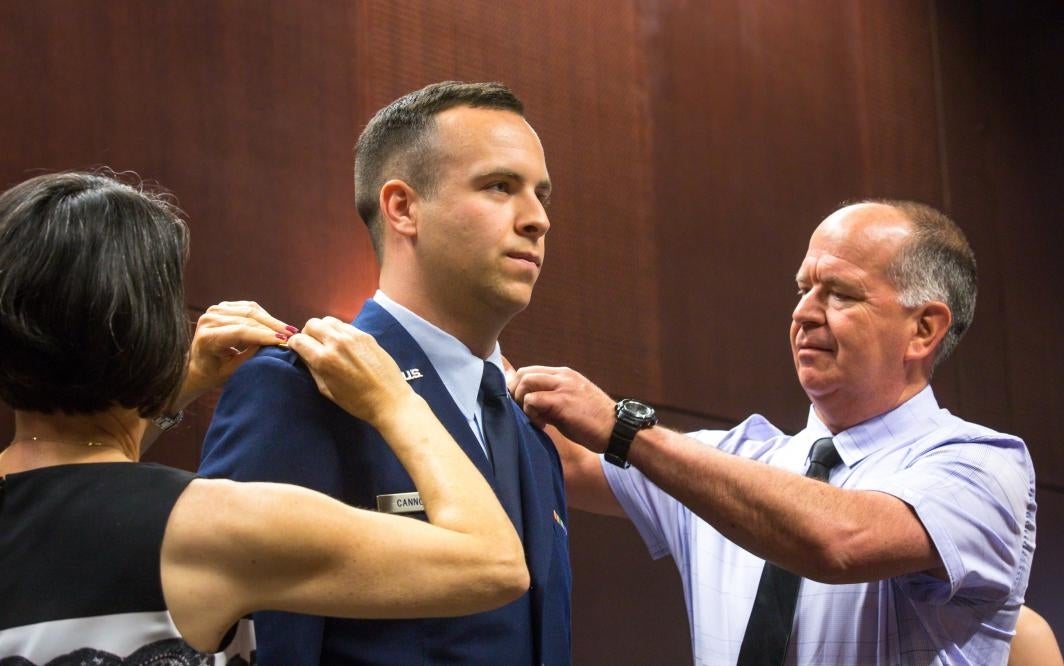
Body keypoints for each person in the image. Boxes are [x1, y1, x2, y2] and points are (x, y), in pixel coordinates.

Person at [0, 171, 529, 662]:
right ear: (151, 330)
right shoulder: (215, 527)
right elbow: (494, 564)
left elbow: (77, 478)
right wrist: (395, 402)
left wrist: (175, 387)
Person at [511, 200, 1036, 664]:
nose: (803, 313)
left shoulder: (981, 465)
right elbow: (569, 454)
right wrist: (454, 328)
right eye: (804, 289)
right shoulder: (734, 461)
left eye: (840, 295)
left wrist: (628, 432)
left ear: (923, 329)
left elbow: (839, 541)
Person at [199, 81, 570, 664]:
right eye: (500, 187)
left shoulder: (530, 432)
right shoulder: (300, 389)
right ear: (402, 207)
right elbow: (260, 643)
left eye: (542, 195)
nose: (538, 219)